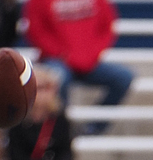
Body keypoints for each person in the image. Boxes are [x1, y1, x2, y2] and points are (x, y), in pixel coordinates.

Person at [26, 0, 135, 128]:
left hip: (89, 62)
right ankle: (59, 130)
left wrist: (90, 55)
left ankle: (92, 128)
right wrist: (62, 54)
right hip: (57, 60)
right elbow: (36, 31)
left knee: (124, 77)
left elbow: (107, 26)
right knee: (58, 78)